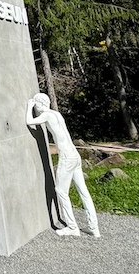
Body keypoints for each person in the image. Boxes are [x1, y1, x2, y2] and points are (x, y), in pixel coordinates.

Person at [26, 93, 100, 238]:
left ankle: (72, 227)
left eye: (37, 104)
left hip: (67, 157)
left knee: (60, 191)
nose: (37, 107)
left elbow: (30, 122)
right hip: (75, 155)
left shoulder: (46, 115)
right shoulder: (57, 114)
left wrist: (29, 106)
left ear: (40, 104)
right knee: (83, 192)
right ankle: (94, 227)